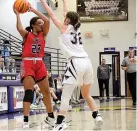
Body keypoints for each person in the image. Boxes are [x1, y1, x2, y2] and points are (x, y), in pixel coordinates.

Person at [40, 0, 103, 130]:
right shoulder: (77, 27)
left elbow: (52, 15)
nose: (64, 18)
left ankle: (60, 123)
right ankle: (97, 115)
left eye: (66, 18)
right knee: (86, 93)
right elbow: (65, 13)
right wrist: (64, 2)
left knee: (65, 95)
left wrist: (43, 2)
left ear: (68, 20)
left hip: (76, 62)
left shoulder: (64, 27)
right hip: (87, 62)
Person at [13, 4, 55, 129]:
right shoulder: (27, 35)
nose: (42, 25)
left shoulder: (44, 35)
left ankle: (51, 117)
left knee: (46, 92)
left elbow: (47, 20)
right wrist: (18, 15)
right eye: (39, 23)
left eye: (42, 24)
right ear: (33, 26)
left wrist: (33, 10)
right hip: (28, 63)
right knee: (29, 93)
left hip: (40, 63)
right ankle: (25, 121)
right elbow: (19, 28)